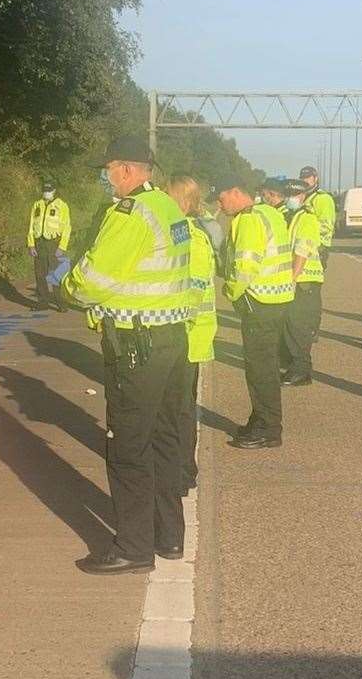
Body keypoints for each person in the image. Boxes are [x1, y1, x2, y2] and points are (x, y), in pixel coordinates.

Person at [62, 136, 193, 575]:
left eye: (108, 170)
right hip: (172, 339)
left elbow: (95, 278)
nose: (105, 178)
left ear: (126, 170)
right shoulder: (169, 208)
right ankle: (168, 535)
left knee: (128, 447)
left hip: (138, 345)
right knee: (165, 438)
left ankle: (133, 547)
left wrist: (66, 286)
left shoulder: (130, 213)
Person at [217, 181, 293, 449]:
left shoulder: (247, 220)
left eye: (222, 197)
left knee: (259, 367)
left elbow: (245, 265)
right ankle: (261, 418)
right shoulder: (269, 212)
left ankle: (268, 428)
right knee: (267, 365)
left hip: (258, 300)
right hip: (278, 298)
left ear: (237, 192)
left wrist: (231, 290)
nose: (219, 203)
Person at [165, 175, 217, 495]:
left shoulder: (190, 235)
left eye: (169, 198)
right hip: (187, 332)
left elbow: (193, 289)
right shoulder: (184, 230)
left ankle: (185, 472)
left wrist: (176, 321)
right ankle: (181, 468)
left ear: (184, 202)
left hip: (188, 333)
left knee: (181, 408)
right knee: (177, 406)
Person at [279, 179, 324, 387]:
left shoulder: (306, 219)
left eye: (294, 195)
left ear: (303, 196)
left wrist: (292, 279)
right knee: (289, 325)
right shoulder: (289, 216)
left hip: (305, 281)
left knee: (299, 327)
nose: (290, 198)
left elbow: (302, 251)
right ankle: (293, 365)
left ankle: (302, 371)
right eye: (287, 194)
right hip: (297, 280)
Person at [27, 181, 71, 310]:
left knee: (57, 274)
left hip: (54, 243)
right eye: (45, 190)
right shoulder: (37, 205)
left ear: (54, 190)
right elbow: (31, 226)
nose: (46, 192)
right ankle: (43, 303)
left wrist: (62, 247)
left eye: (49, 190)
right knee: (40, 275)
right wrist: (31, 245)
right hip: (39, 243)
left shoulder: (62, 206)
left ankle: (61, 303)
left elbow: (67, 227)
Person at [298, 166, 336, 263]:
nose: (304, 180)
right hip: (304, 244)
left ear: (315, 178)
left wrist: (306, 230)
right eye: (302, 178)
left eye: (308, 177)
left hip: (319, 246)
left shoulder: (323, 198)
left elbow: (326, 226)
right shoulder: (304, 197)